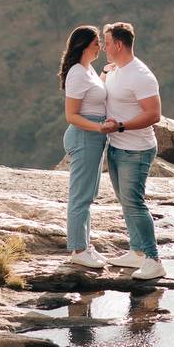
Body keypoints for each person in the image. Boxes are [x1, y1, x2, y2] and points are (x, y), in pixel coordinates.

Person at [100, 21, 166, 280]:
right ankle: (137, 251)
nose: (104, 48)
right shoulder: (116, 70)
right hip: (117, 147)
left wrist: (121, 126)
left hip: (136, 149)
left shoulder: (141, 75)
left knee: (135, 204)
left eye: (106, 43)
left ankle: (153, 259)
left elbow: (154, 114)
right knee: (125, 202)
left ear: (118, 44)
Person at [59, 25, 116, 269]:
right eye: (96, 43)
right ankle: (77, 249)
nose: (100, 48)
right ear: (84, 46)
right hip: (84, 135)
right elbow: (71, 115)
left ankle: (85, 244)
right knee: (80, 196)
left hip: (93, 136)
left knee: (88, 194)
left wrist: (105, 72)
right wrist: (99, 128)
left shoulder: (89, 70)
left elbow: (95, 95)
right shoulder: (76, 73)